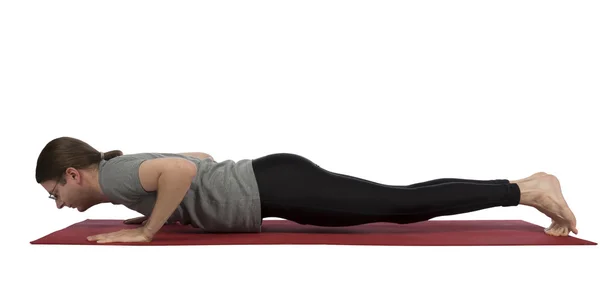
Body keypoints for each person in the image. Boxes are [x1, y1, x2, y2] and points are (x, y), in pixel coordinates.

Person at [35, 136, 578, 244]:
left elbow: (181, 170)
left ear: (74, 174)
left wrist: (151, 231)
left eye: (54, 191)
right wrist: (158, 214)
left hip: (273, 185)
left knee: (399, 206)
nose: (59, 203)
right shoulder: (123, 176)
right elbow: (198, 159)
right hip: (273, 182)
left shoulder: (121, 175)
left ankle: (524, 189)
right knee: (397, 199)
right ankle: (519, 187)